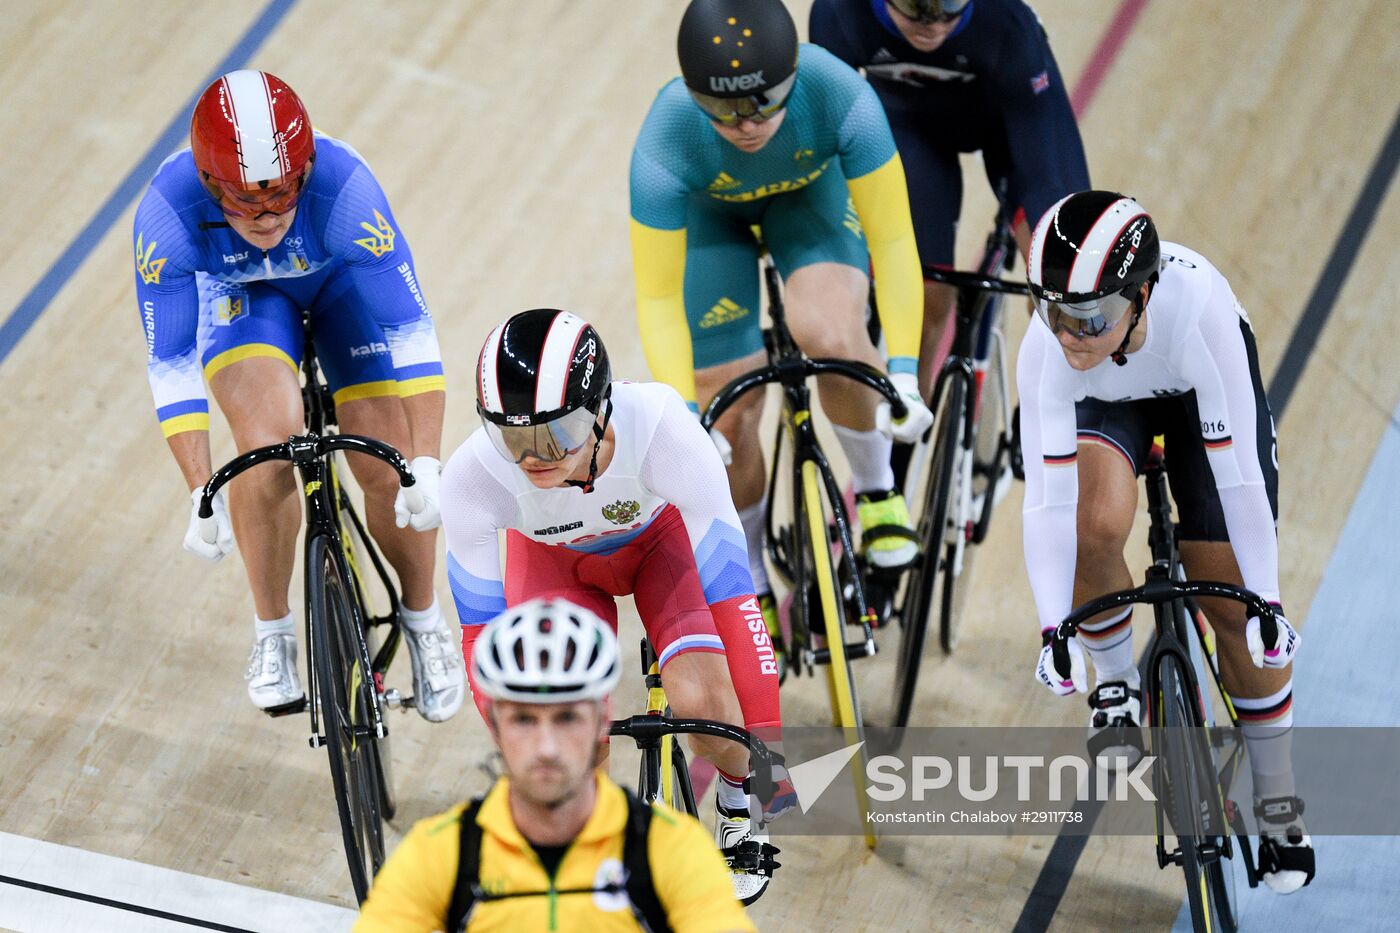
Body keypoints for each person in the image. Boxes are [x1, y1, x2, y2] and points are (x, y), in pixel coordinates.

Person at [133, 70, 464, 721]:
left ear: (305, 168)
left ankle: (424, 620)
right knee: (268, 450)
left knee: (384, 459)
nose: (268, 217)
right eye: (244, 202)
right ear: (207, 184)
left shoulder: (346, 195)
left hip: (339, 285)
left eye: (283, 196)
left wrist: (424, 460)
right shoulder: (167, 219)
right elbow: (169, 361)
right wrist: (200, 487)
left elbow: (410, 329)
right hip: (244, 301)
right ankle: (273, 634)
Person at [440, 308, 793, 904]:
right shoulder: (473, 477)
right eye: (516, 439)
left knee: (704, 706)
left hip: (662, 549)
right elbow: (484, 643)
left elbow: (736, 598)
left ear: (601, 409)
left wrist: (767, 754)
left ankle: (736, 794)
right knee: (572, 744)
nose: (536, 457)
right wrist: (527, 739)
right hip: (557, 568)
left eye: (559, 433)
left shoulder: (662, 427)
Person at [1018, 190, 1313, 893]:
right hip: (1103, 400)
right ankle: (1118, 685)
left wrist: (1267, 598)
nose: (1068, 335)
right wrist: (1054, 625)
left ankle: (1276, 797)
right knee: (1095, 523)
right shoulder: (1056, 344)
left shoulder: (1198, 309)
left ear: (1141, 293)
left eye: (1088, 318)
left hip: (1193, 390)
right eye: (1056, 313)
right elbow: (1047, 502)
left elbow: (1241, 484)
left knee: (1234, 603)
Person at [630, 0, 936, 651]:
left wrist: (903, 375)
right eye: (723, 108)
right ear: (692, 92)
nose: (745, 124)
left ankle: (879, 494)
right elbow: (657, 299)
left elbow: (895, 243)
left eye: (766, 102)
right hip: (714, 221)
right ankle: (751, 577)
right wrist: (686, 413)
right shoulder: (667, 134)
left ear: (794, 75)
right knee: (728, 408)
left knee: (827, 331)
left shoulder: (840, 95)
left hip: (810, 199)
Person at [354, 598, 757, 933]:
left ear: (602, 719)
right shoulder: (438, 854)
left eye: (566, 718)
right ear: (494, 724)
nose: (546, 747)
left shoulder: (673, 851)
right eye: (524, 720)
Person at [810, 0, 1090, 405]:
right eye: (916, 9)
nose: (933, 24)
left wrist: (1056, 256)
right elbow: (828, 133)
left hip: (1007, 123)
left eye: (948, 8)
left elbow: (1042, 157)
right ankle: (909, 432)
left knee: (1069, 275)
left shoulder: (1006, 22)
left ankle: (1056, 412)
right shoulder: (839, 12)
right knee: (926, 297)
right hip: (910, 128)